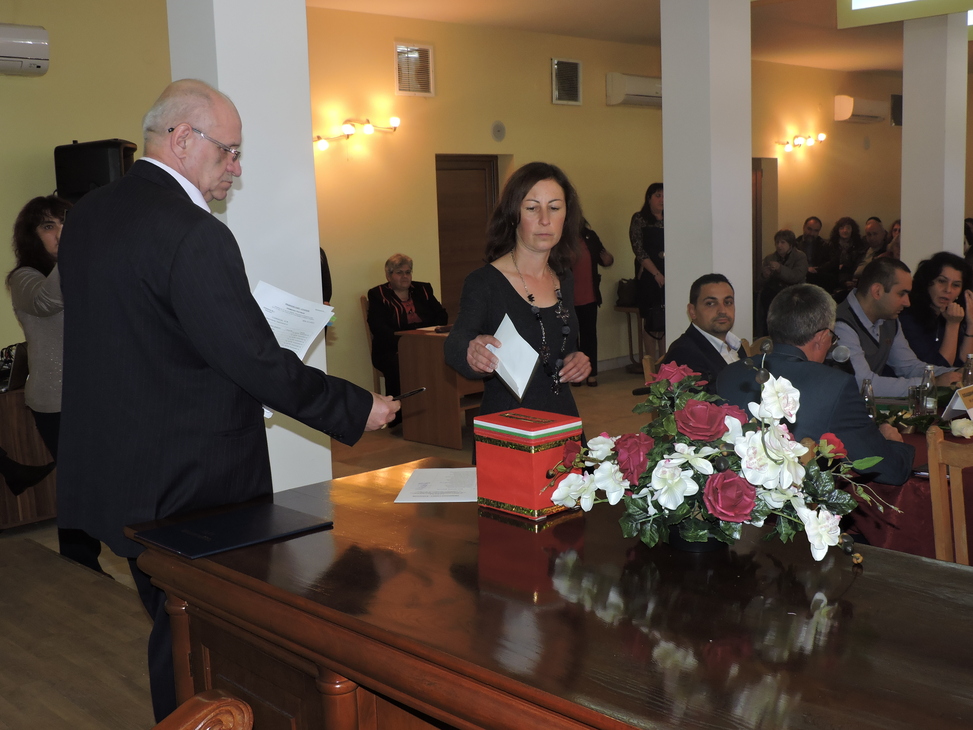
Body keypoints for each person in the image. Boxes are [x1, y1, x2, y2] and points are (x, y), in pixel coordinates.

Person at [56, 79, 397, 722]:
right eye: (229, 151)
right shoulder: (194, 234)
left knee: (173, 623)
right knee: (199, 636)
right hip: (190, 482)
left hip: (118, 470)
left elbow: (138, 339)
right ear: (183, 138)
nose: (236, 169)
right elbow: (255, 361)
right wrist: (356, 407)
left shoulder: (90, 214)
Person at [717, 284, 914, 486]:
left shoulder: (728, 374)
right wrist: (893, 443)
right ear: (821, 337)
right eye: (832, 338)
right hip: (799, 502)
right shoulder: (835, 386)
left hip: (732, 494)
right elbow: (889, 471)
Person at [444, 161, 591, 422]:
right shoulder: (485, 282)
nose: (545, 219)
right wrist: (471, 351)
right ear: (514, 215)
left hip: (561, 418)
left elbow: (560, 345)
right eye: (532, 208)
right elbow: (455, 344)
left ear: (566, 216)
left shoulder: (563, 278)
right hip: (508, 424)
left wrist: (576, 359)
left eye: (554, 208)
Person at [7, 195, 105, 574]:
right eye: (50, 227)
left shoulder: (87, 270)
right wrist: (73, 250)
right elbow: (50, 301)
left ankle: (88, 559)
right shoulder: (24, 278)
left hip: (97, 395)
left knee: (99, 481)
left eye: (66, 224)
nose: (61, 233)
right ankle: (81, 564)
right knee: (80, 483)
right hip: (57, 401)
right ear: (32, 236)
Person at [834, 258, 959, 397]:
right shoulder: (840, 325)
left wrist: (957, 373)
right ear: (877, 291)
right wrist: (931, 384)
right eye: (901, 294)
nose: (907, 302)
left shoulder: (889, 320)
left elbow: (909, 367)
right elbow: (864, 384)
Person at [367, 253, 448, 399]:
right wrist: (406, 342)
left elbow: (441, 315)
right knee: (398, 364)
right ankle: (398, 409)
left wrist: (428, 334)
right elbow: (378, 327)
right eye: (399, 273)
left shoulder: (423, 289)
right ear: (389, 276)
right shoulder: (378, 294)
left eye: (408, 272)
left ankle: (436, 403)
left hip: (426, 343)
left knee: (446, 356)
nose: (405, 276)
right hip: (392, 348)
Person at [661, 273, 745, 393]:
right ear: (692, 311)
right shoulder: (684, 354)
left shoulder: (735, 344)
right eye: (710, 303)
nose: (722, 310)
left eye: (728, 302)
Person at [898, 252, 973, 367]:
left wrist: (971, 324)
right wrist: (952, 325)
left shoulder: (950, 314)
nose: (948, 290)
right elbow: (937, 369)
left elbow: (964, 365)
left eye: (956, 285)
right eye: (941, 281)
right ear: (928, 282)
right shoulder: (908, 316)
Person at [572, 218, 613, 387]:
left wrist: (608, 259)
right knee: (572, 337)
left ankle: (591, 373)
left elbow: (604, 258)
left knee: (589, 335)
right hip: (569, 298)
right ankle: (575, 374)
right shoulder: (560, 239)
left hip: (589, 295)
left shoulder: (590, 237)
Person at [629, 182, 665, 358]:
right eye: (658, 196)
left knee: (665, 321)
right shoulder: (640, 218)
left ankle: (666, 364)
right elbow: (638, 250)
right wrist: (656, 274)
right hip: (649, 275)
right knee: (651, 320)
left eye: (664, 196)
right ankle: (650, 366)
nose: (662, 199)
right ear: (649, 198)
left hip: (669, 273)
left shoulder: (671, 218)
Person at [757, 229, 807, 335]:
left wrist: (780, 269)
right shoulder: (770, 258)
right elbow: (759, 282)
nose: (779, 246)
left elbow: (796, 276)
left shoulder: (800, 257)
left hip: (793, 294)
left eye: (783, 242)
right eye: (777, 242)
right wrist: (765, 275)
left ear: (791, 244)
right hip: (772, 295)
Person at [795, 216, 839, 293]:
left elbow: (833, 263)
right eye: (809, 229)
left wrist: (818, 269)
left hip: (818, 277)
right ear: (804, 227)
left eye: (816, 230)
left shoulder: (825, 245)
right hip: (800, 276)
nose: (811, 233)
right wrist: (806, 269)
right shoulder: (795, 244)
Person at [830, 216, 865, 293]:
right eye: (842, 228)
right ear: (838, 230)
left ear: (852, 230)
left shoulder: (859, 245)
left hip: (852, 278)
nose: (845, 230)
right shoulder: (831, 245)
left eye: (848, 228)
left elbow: (857, 265)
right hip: (834, 278)